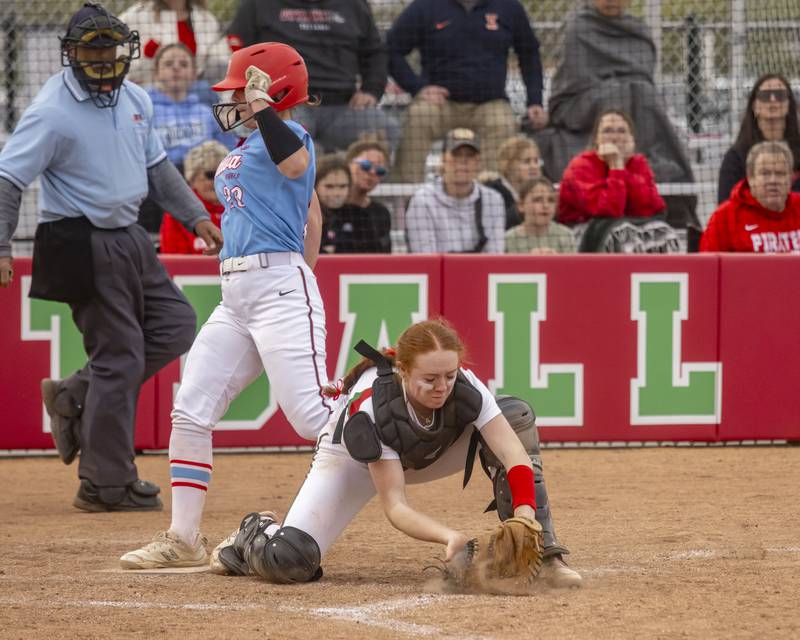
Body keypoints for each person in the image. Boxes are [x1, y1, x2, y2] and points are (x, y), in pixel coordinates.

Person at [0, 3, 223, 511]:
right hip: (79, 239)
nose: (103, 58)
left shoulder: (136, 97)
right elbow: (8, 179)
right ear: (71, 53)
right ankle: (104, 484)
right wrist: (1, 245)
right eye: (92, 48)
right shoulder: (52, 111)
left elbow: (160, 170)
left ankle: (74, 394)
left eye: (110, 47)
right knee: (119, 358)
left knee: (174, 324)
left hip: (128, 236)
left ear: (126, 50)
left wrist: (197, 218)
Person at [120, 41, 331, 567]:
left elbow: (298, 170)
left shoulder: (293, 137)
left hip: (278, 285)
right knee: (190, 409)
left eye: (240, 92)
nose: (231, 101)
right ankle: (182, 536)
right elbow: (313, 213)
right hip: (236, 293)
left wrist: (294, 276)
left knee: (312, 418)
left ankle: (408, 440)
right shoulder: (249, 145)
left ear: (269, 92)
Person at [210, 319, 582, 588]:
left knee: (515, 416)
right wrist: (448, 536)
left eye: (450, 376)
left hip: (427, 452)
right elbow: (396, 506)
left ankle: (545, 554)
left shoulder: (465, 388)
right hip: (353, 461)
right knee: (288, 560)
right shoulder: (374, 410)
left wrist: (524, 516)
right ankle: (253, 532)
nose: (443, 388)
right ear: (403, 370)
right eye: (430, 380)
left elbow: (515, 456)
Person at [388, 0, 547, 183]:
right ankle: (406, 198)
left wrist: (535, 101)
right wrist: (417, 87)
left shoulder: (508, 7)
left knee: (503, 123)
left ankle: (492, 196)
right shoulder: (425, 6)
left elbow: (530, 54)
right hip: (439, 103)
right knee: (417, 117)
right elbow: (391, 49)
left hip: (489, 103)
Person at [538, 0, 693, 185]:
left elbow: (644, 75)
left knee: (644, 93)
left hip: (633, 96)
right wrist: (615, 84)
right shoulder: (578, 27)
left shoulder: (638, 30)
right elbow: (574, 79)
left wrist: (624, 83)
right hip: (579, 102)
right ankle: (605, 165)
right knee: (617, 94)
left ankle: (647, 161)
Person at [226, 0, 400, 154]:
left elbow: (375, 52)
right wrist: (260, 92)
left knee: (386, 129)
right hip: (286, 105)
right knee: (290, 147)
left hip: (344, 106)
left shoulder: (354, 4)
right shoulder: (258, 4)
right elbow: (238, 48)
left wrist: (371, 89)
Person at [405, 128, 506, 254]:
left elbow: (494, 257)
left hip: (480, 273)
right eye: (456, 154)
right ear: (443, 159)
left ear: (478, 162)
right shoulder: (423, 200)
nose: (463, 161)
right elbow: (426, 259)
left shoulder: (493, 200)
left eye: (470, 155)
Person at [558, 109, 665, 224]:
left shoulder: (638, 163)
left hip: (629, 226)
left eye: (622, 131)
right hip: (584, 229)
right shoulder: (581, 165)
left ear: (631, 138)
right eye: (607, 131)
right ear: (596, 139)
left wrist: (622, 164)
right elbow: (607, 211)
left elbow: (648, 209)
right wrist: (616, 167)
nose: (615, 137)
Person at [147, 43, 235, 170]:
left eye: (183, 64)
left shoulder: (206, 113)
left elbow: (229, 151)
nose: (176, 68)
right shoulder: (148, 111)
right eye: (168, 64)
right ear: (156, 73)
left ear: (194, 74)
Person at [702, 141, 800, 253]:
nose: (773, 180)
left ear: (791, 178)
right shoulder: (725, 217)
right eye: (765, 173)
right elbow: (708, 266)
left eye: (780, 174)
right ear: (751, 178)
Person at [717, 74, 800, 204]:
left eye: (780, 95)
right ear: (755, 106)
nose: (773, 100)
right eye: (765, 95)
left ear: (789, 104)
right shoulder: (736, 157)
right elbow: (725, 205)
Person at [119, 0, 231, 90]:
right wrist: (148, 60)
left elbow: (219, 62)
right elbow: (121, 63)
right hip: (150, 95)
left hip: (195, 96)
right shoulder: (135, 16)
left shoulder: (205, 18)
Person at [321, 139, 392, 254]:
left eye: (380, 170)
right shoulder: (326, 208)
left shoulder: (381, 213)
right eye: (366, 165)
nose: (372, 172)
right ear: (348, 163)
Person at [160, 140, 228, 254]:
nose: (218, 179)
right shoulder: (178, 213)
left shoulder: (243, 206)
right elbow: (175, 262)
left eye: (223, 173)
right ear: (192, 179)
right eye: (211, 175)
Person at [482, 136, 543, 229]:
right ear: (508, 165)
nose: (534, 166)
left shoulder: (543, 191)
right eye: (527, 161)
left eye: (536, 161)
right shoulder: (491, 192)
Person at [505, 178, 577, 254]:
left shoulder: (566, 235)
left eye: (551, 200)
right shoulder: (508, 239)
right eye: (537, 200)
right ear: (521, 205)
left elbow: (573, 265)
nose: (545, 206)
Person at [315, 154, 352, 254]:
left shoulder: (357, 215)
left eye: (343, 186)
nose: (337, 193)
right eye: (329, 186)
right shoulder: (306, 218)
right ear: (315, 186)